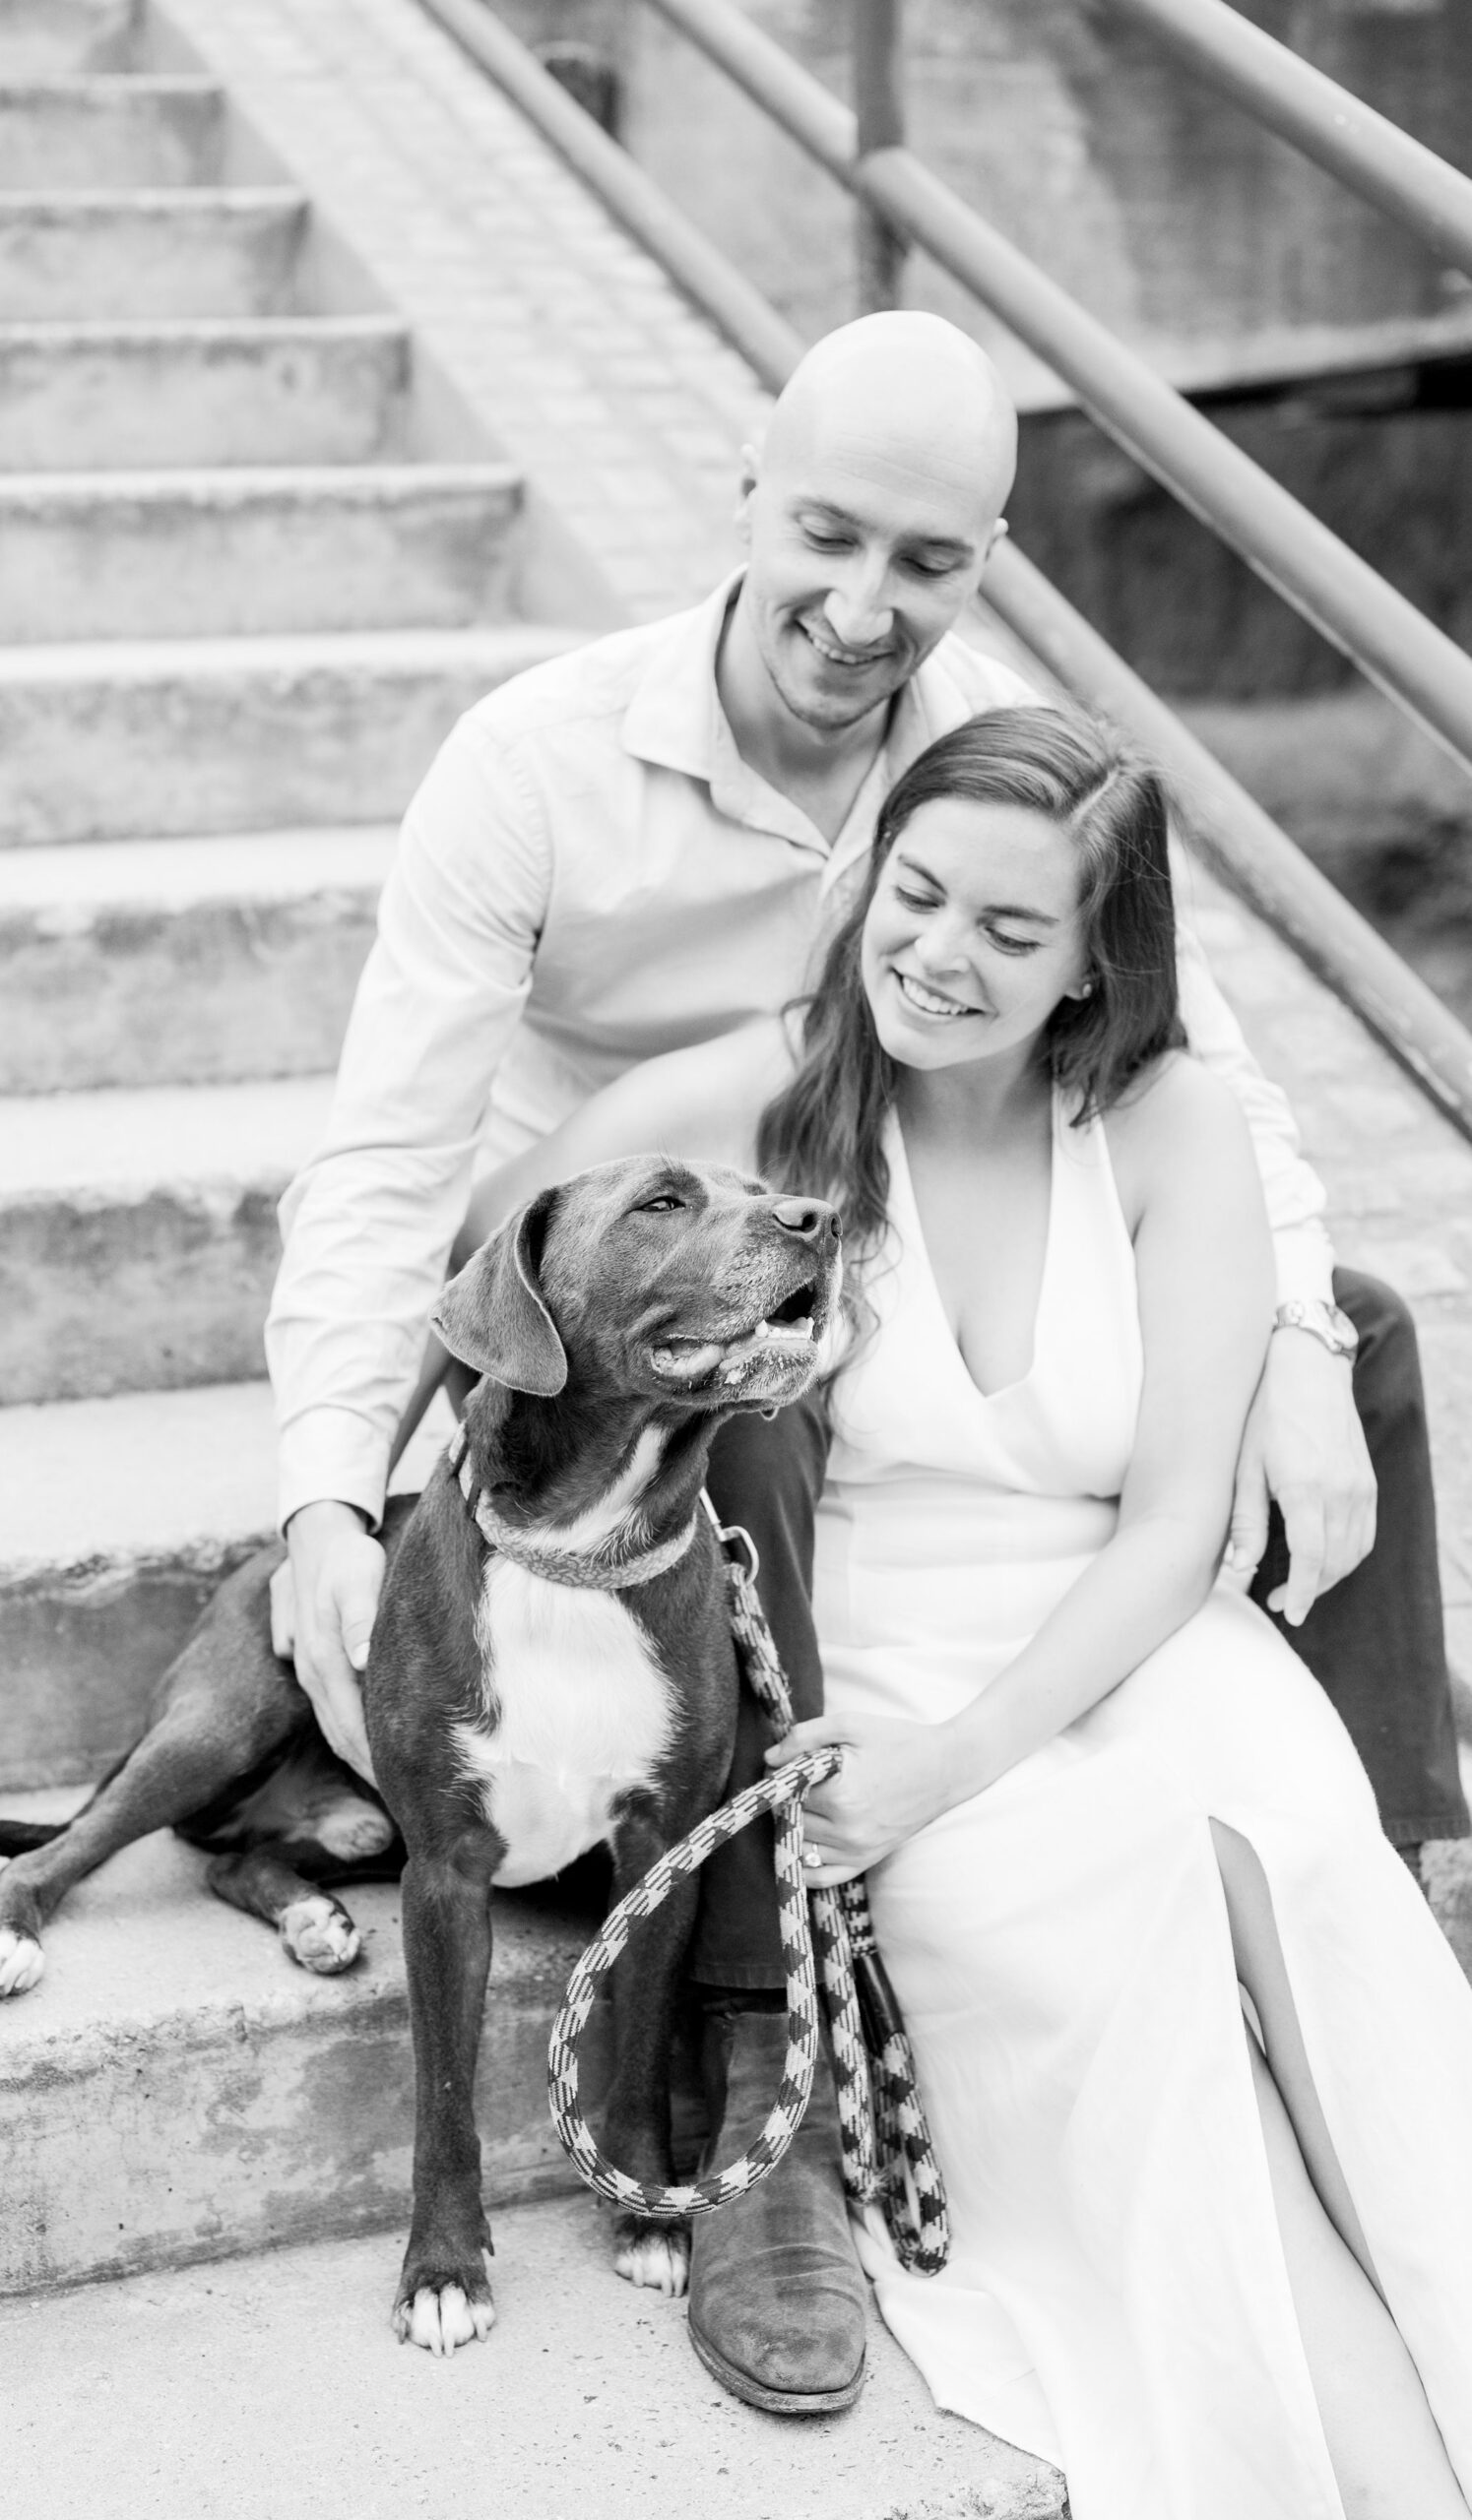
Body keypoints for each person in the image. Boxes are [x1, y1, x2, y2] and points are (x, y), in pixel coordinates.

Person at [264, 310, 1467, 2410]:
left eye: (927, 560)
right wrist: (323, 1478)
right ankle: (762, 2057)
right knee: (764, 1402)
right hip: (632, 1287)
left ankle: (1391, 1836)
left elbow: (1215, 1079)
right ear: (745, 489)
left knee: (1353, 1333)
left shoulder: (988, 741)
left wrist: (1281, 1325)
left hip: (906, 1175)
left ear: (987, 561)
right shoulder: (536, 763)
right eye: (828, 533)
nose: (865, 605)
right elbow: (399, 1167)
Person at [449, 706, 1472, 2518]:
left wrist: (961, 1761)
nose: (939, 955)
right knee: (1146, 1967)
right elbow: (496, 1292)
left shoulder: (1171, 1127)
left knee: (1286, 1854)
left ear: (1099, 961)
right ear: (868, 884)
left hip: (1140, 1635)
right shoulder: (747, 1106)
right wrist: (346, 1524)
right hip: (888, 1665)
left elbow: (1173, 1528)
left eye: (1011, 932)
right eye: (915, 897)